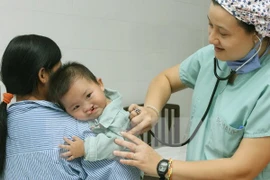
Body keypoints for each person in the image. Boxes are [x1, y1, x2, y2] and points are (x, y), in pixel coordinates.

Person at [113, 0, 270, 179]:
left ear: (258, 34)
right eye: (210, 25)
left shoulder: (266, 85)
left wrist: (161, 166)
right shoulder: (209, 56)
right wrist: (151, 110)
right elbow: (165, 80)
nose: (211, 38)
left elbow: (243, 170)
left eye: (223, 33)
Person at [0, 34, 140, 180]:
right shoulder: (80, 134)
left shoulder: (3, 128)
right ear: (43, 75)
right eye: (60, 71)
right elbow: (124, 173)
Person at [48, 62, 140, 162]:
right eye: (76, 107)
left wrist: (85, 148)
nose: (87, 107)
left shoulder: (119, 117)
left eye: (88, 95)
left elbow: (118, 143)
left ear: (100, 84)